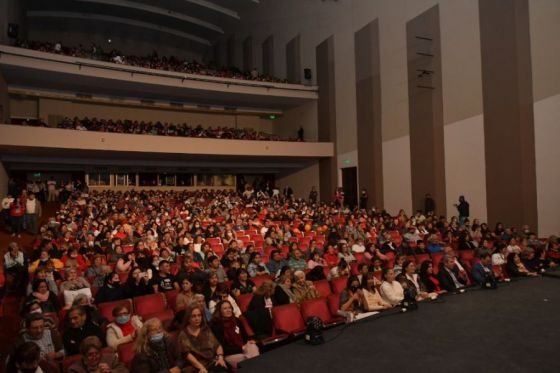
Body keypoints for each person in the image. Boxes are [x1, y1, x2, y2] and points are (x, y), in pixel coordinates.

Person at [178, 305, 228, 373]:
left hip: (211, 361)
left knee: (223, 369)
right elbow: (187, 354)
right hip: (195, 365)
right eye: (193, 316)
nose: (197, 318)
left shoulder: (205, 329)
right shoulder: (183, 334)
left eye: (199, 315)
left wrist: (220, 357)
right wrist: (201, 367)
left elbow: (217, 345)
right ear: (188, 318)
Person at [210, 300, 259, 369]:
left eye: (229, 308)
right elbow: (223, 348)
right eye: (225, 308)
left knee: (253, 347)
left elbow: (245, 337)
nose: (228, 310)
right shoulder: (216, 326)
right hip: (230, 353)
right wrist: (241, 348)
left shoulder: (236, 320)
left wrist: (249, 341)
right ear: (219, 311)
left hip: (243, 347)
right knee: (246, 362)